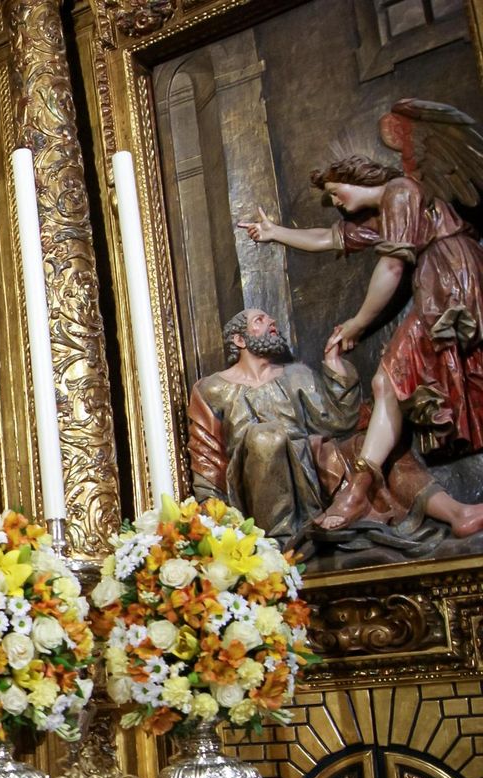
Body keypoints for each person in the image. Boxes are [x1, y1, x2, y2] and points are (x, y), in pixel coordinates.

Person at [237, 101, 483, 530]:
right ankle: (362, 492)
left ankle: (357, 493)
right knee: (388, 381)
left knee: (389, 379)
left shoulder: (401, 192)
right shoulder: (389, 209)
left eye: (336, 192)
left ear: (357, 177)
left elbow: (391, 267)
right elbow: (328, 238)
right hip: (440, 282)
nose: (336, 202)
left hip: (450, 282)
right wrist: (275, 233)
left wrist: (357, 323)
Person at [188, 308, 483, 558]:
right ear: (240, 339)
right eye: (260, 321)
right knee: (266, 437)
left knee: (373, 445)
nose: (271, 323)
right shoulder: (212, 388)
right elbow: (207, 456)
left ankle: (456, 513)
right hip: (256, 486)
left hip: (311, 472)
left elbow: (337, 422)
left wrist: (333, 366)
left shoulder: (295, 374)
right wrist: (213, 518)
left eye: (271, 320)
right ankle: (277, 548)